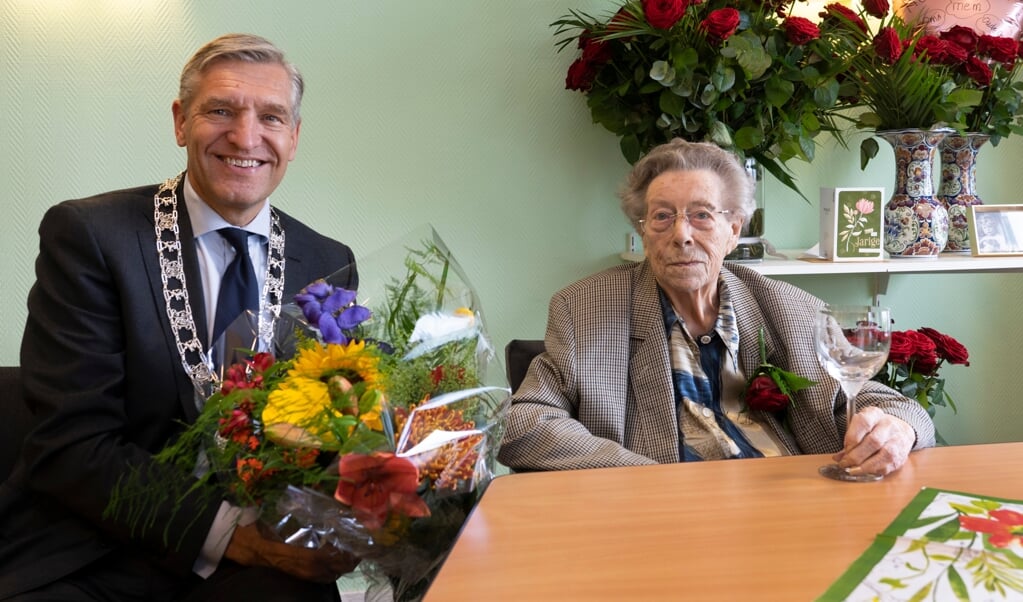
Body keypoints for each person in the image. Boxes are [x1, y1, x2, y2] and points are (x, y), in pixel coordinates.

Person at [0, 34, 361, 601]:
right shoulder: (92, 236)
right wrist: (231, 537)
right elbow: (70, 446)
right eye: (220, 111)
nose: (246, 137)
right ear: (179, 121)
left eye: (271, 117)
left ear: (293, 137)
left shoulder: (327, 263)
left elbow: (335, 429)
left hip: (259, 562)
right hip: (95, 550)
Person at [498, 139, 935, 474]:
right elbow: (525, 424)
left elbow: (879, 400)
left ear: (733, 229)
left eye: (702, 215)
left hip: (786, 503)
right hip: (661, 514)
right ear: (644, 231)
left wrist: (896, 428)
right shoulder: (586, 309)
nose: (682, 234)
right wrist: (640, 476)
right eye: (662, 216)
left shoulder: (790, 309)